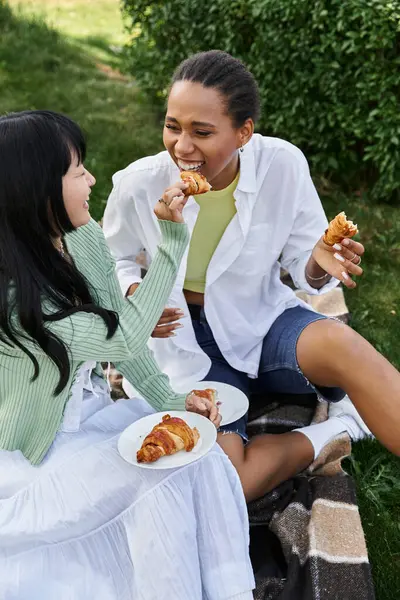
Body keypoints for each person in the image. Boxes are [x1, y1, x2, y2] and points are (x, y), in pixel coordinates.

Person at [103, 50, 400, 503]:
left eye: (202, 132)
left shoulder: (282, 164)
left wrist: (319, 258)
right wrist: (133, 290)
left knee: (344, 345)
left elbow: (307, 261)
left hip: (262, 324)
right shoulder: (137, 183)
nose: (182, 147)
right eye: (172, 126)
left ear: (244, 132)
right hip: (183, 341)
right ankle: (338, 428)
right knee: (225, 485)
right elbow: (114, 258)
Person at [0, 110, 255, 600]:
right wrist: (172, 238)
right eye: (77, 171)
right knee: (157, 479)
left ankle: (226, 591)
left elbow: (118, 325)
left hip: (91, 419)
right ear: (38, 190)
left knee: (198, 458)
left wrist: (172, 402)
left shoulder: (74, 239)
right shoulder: (18, 305)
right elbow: (127, 337)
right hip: (40, 454)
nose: (92, 178)